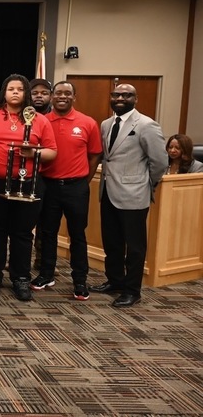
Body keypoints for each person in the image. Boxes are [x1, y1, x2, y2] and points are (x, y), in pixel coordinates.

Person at [0, 74, 57, 301]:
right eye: (11, 88)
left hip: (29, 183)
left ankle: (20, 278)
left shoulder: (39, 120)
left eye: (20, 89)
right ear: (4, 91)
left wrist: (34, 153)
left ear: (26, 94)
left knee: (23, 233)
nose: (15, 93)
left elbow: (52, 152)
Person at [91, 83, 167, 307]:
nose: (120, 98)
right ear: (111, 98)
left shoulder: (146, 125)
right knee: (112, 242)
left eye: (127, 95)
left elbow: (160, 162)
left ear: (136, 99)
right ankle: (115, 281)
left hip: (134, 194)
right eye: (116, 94)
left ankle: (132, 291)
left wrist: (146, 183)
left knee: (134, 247)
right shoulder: (106, 124)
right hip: (108, 192)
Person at [31, 81, 102, 301]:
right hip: (49, 185)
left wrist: (83, 180)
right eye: (58, 93)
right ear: (52, 97)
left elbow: (95, 155)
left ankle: (80, 281)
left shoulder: (87, 123)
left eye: (67, 93)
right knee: (47, 233)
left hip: (76, 187)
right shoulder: (42, 121)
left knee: (77, 235)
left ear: (74, 97)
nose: (62, 97)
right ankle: (46, 274)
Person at [29, 78, 53, 269]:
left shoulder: (52, 118)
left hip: (51, 178)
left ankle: (42, 262)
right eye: (35, 93)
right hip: (28, 177)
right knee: (24, 222)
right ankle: (18, 259)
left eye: (44, 93)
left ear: (50, 96)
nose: (39, 96)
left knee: (46, 224)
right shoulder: (21, 117)